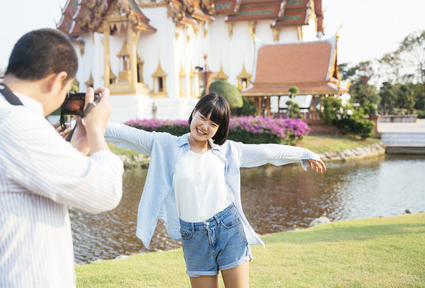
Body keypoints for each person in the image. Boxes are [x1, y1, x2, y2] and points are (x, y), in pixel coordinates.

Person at [0, 28, 123, 287]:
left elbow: (21, 185)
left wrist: (78, 149)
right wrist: (96, 130)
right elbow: (106, 192)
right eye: (67, 89)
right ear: (56, 80)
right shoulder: (14, 123)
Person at [102, 93, 326, 288]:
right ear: (194, 113)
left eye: (213, 124)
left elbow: (267, 151)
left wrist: (306, 153)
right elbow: (123, 134)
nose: (205, 126)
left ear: (219, 128)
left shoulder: (228, 151)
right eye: (202, 117)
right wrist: (80, 126)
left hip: (228, 229)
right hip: (193, 235)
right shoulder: (166, 145)